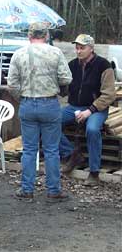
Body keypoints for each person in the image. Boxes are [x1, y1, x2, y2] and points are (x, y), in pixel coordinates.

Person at [7, 22, 72, 201]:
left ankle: (27, 189)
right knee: (51, 150)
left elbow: (12, 84)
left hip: (28, 104)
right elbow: (66, 78)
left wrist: (22, 98)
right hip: (50, 104)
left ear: (29, 36)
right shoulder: (55, 53)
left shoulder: (19, 54)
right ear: (46, 36)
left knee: (29, 150)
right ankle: (53, 190)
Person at [59, 34, 116, 186]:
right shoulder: (72, 65)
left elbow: (109, 94)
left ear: (91, 48)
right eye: (76, 48)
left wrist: (90, 110)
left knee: (92, 129)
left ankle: (94, 172)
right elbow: (65, 88)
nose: (78, 51)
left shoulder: (104, 66)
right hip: (74, 107)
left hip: (97, 108)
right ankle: (71, 154)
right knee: (50, 121)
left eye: (82, 48)